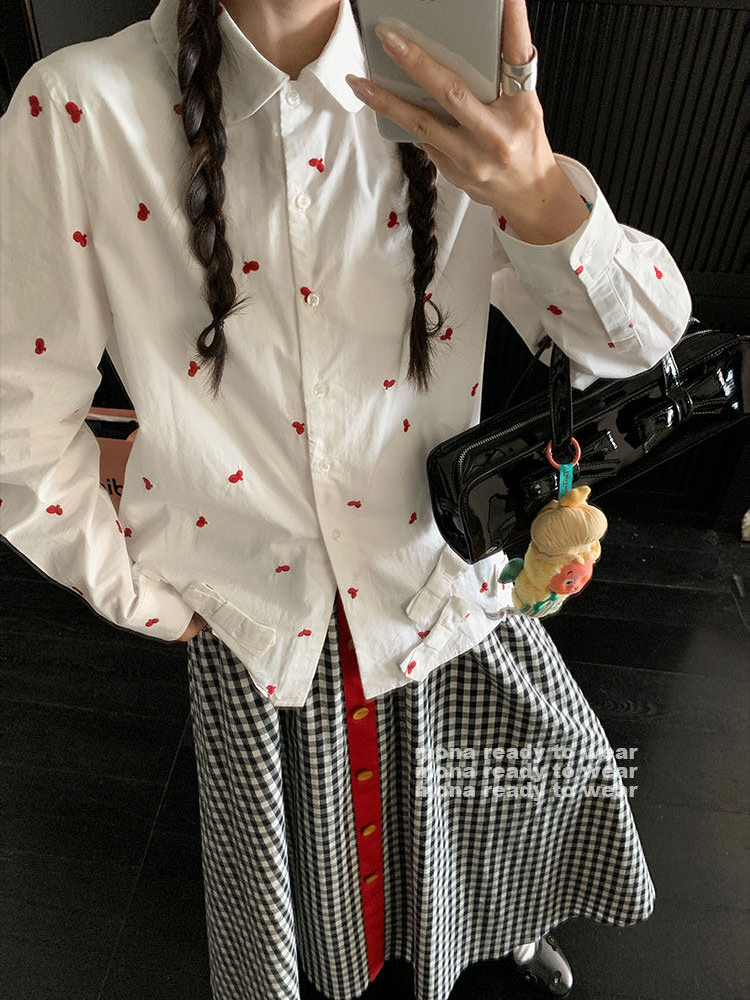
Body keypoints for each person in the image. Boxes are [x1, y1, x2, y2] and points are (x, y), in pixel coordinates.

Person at [0, 1, 692, 998]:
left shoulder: (441, 90)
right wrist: (140, 595)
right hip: (258, 625)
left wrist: (541, 195)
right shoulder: (79, 110)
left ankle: (496, 932)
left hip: (440, 582)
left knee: (507, 803)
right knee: (317, 893)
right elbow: (19, 424)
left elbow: (643, 344)